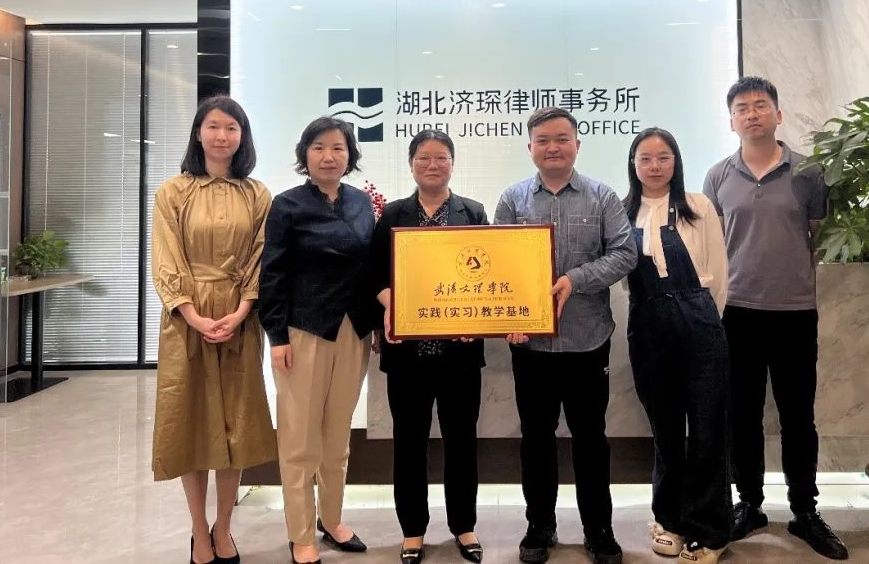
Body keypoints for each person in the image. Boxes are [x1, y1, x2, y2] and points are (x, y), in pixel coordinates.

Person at [702, 77, 848, 560]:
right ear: (731, 121)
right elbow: (712, 245)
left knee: (797, 417)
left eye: (761, 105)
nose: (752, 114)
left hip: (795, 312)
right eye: (742, 108)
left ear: (778, 115)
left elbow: (820, 234)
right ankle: (749, 505)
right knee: (742, 416)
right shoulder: (718, 176)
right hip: (736, 312)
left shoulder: (810, 172)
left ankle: (805, 511)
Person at [494, 107, 637, 564]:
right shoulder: (513, 199)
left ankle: (599, 529)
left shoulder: (602, 196)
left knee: (591, 438)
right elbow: (499, 264)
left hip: (587, 341)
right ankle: (540, 526)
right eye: (543, 140)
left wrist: (576, 279)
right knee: (535, 439)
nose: (552, 147)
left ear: (577, 144)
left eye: (561, 139)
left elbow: (625, 254)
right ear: (530, 147)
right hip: (531, 345)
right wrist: (509, 316)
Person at [151, 94, 277, 564]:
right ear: (198, 133)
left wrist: (242, 310)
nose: (222, 136)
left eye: (232, 128)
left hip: (240, 316)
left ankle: (224, 527)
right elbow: (166, 256)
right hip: (187, 318)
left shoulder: (257, 194)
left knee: (235, 425)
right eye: (214, 126)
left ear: (243, 137)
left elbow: (262, 255)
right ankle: (197, 530)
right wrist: (192, 314)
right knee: (190, 421)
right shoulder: (173, 192)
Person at [259, 117, 380, 564]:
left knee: (337, 435)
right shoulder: (287, 205)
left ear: (350, 156)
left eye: (338, 148)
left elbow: (370, 270)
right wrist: (276, 335)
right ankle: (301, 532)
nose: (329, 156)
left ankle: (332, 519)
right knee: (300, 439)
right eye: (319, 148)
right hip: (303, 332)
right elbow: (272, 273)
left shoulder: (360, 203)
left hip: (353, 330)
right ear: (304, 155)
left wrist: (377, 324)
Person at [371, 130, 489, 564]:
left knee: (462, 443)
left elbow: (488, 273)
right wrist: (392, 304)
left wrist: (476, 318)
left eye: (441, 158)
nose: (432, 165)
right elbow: (374, 274)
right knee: (409, 444)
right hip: (408, 356)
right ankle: (413, 531)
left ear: (452, 164)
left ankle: (464, 526)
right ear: (411, 165)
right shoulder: (394, 214)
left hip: (460, 355)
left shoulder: (472, 212)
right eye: (424, 158)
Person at [622, 128, 729, 564]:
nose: (654, 166)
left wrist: (702, 320)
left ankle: (711, 530)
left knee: (707, 427)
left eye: (663, 157)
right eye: (645, 158)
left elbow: (718, 274)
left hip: (699, 320)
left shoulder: (698, 206)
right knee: (664, 428)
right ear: (633, 164)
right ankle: (669, 520)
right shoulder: (622, 211)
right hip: (647, 324)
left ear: (676, 161)